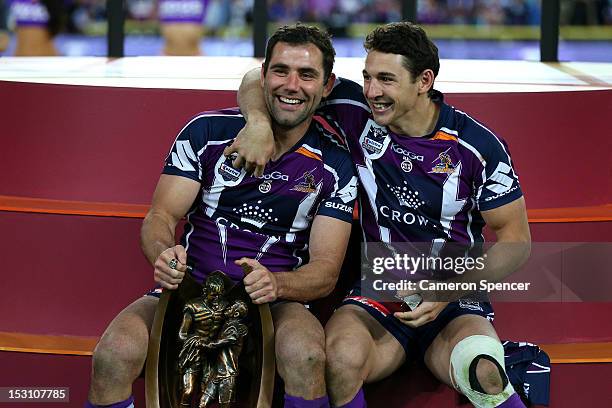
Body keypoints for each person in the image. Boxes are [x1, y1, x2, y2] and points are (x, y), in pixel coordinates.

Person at [231, 22, 532, 408]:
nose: (372, 92)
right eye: (368, 77)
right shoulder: (357, 111)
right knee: (338, 360)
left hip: (454, 301)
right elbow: (257, 80)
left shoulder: (477, 146)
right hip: (380, 291)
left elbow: (517, 243)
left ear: (424, 80)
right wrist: (257, 124)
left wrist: (444, 289)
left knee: (485, 372)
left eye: (386, 80)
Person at [86, 24, 358, 408]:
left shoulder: (335, 164)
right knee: (113, 353)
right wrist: (163, 254)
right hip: (192, 287)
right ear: (263, 76)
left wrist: (277, 285)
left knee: (307, 353)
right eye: (280, 71)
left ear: (327, 86)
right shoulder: (207, 132)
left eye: (307, 75)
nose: (291, 85)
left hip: (276, 301)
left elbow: (327, 269)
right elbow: (160, 216)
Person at [177, 274, 229, 407]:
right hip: (194, 353)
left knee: (205, 393)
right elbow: (182, 333)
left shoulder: (225, 306)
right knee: (188, 390)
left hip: (212, 355)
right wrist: (196, 340)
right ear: (205, 292)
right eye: (213, 295)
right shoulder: (193, 307)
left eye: (219, 294)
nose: (217, 298)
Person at [199, 299, 249, 408]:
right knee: (203, 402)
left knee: (224, 405)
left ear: (235, 314)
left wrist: (211, 344)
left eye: (231, 308)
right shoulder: (228, 324)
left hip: (227, 373)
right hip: (217, 371)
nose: (228, 309)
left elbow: (231, 338)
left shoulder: (235, 327)